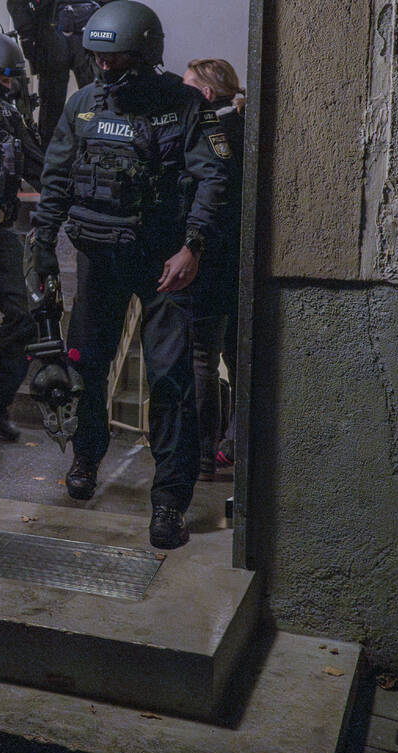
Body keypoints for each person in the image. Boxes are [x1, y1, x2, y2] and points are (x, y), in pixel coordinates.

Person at [27, 1, 232, 548]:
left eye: (114, 57)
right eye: (98, 57)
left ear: (143, 56)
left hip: (165, 264)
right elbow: (57, 179)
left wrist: (192, 246)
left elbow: (213, 179)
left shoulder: (185, 105)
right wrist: (42, 243)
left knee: (171, 384)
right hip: (99, 259)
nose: (103, 67)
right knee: (85, 370)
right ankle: (86, 461)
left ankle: (168, 502)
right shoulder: (81, 107)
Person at [0, 31, 47, 441]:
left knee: (25, 312)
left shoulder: (9, 115)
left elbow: (40, 165)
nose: (8, 87)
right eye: (2, 79)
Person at [182, 57, 245, 481]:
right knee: (239, 357)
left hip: (209, 259)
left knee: (201, 356)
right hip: (242, 261)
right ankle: (234, 444)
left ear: (205, 93)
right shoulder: (245, 125)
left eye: (187, 87)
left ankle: (202, 455)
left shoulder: (209, 131)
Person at [6, 0, 112, 148]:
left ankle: (98, 150)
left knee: (99, 98)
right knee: (54, 105)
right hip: (52, 28)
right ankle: (49, 155)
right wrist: (27, 34)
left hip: (85, 28)